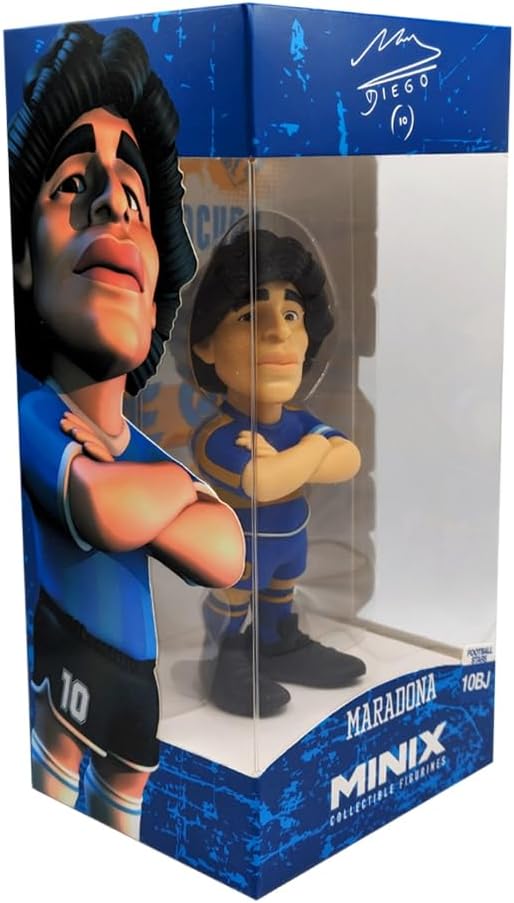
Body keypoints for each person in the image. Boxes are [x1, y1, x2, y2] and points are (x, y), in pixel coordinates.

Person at [9, 22, 245, 840]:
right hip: (60, 656)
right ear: (21, 257)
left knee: (124, 829)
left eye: (136, 200)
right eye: (74, 183)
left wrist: (153, 488)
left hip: (137, 682)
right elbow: (104, 508)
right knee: (51, 805)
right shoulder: (30, 410)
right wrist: (177, 491)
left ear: (155, 291)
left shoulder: (135, 449)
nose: (112, 201)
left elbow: (226, 551)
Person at [190, 227, 366, 717]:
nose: (278, 333)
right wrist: (313, 451)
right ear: (205, 345)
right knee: (235, 602)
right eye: (250, 317)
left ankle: (277, 644)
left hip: (289, 548)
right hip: (239, 555)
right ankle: (223, 657)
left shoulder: (299, 424)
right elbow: (262, 483)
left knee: (279, 597)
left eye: (292, 315)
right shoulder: (218, 434)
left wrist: (299, 453)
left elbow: (349, 460)